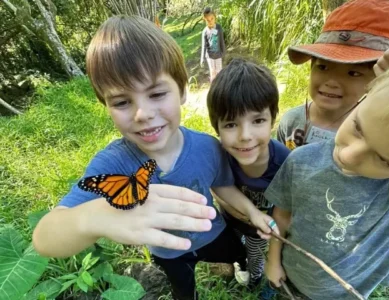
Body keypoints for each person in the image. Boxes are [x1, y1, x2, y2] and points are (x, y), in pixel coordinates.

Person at [32, 15, 277, 300]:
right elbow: (44, 238)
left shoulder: (208, 147)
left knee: (237, 252)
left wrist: (253, 212)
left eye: (157, 93)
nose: (143, 114)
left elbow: (222, 187)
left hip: (211, 232)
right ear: (106, 105)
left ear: (183, 90)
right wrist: (94, 216)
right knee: (183, 291)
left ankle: (242, 267)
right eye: (122, 102)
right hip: (167, 250)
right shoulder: (114, 165)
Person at [264, 63, 389, 299]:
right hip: (291, 277)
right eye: (357, 127)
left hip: (347, 293)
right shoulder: (300, 161)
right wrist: (273, 260)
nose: (348, 156)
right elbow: (282, 215)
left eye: (383, 160)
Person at [207, 58, 290, 293]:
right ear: (217, 128)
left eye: (258, 120)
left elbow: (286, 210)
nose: (245, 135)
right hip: (229, 219)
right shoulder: (219, 155)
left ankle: (254, 280)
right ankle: (237, 263)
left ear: (273, 119)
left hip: (260, 230)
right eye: (231, 124)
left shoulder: (285, 163)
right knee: (234, 249)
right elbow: (217, 184)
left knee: (254, 254)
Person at [277, 0, 389, 150]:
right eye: (322, 67)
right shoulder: (291, 121)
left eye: (353, 73)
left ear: (381, 79)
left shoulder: (382, 134)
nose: (332, 82)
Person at [200, 7, 226, 82]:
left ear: (215, 17)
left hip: (218, 55)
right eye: (208, 20)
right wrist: (202, 58)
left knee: (219, 72)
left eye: (212, 19)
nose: (210, 21)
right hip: (209, 56)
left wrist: (223, 52)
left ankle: (220, 87)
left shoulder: (219, 28)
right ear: (204, 20)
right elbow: (204, 45)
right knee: (212, 72)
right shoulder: (204, 31)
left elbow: (221, 41)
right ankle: (213, 88)